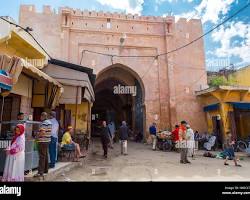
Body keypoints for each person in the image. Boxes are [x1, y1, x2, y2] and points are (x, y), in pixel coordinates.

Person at [34, 112, 52, 177]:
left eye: (41, 116)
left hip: (42, 141)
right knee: (45, 155)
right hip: (47, 141)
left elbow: (43, 132)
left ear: (43, 116)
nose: (40, 118)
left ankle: (40, 172)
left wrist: (36, 137)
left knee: (42, 156)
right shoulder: (49, 122)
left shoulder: (44, 123)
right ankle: (45, 170)